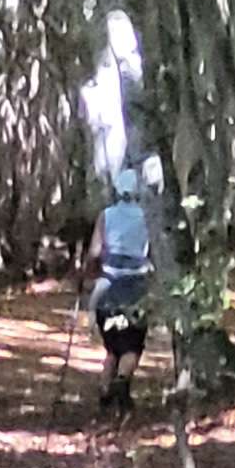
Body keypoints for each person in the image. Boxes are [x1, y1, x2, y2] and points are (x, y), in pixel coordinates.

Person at [84, 161, 160, 416]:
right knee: (132, 346)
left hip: (107, 290)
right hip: (135, 289)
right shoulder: (147, 216)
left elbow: (94, 252)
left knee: (112, 348)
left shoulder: (105, 216)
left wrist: (87, 274)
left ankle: (105, 392)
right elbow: (154, 252)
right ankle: (122, 383)